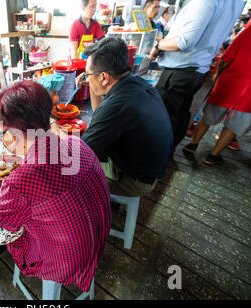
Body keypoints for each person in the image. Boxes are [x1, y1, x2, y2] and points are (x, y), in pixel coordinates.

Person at [0, 81, 111, 293]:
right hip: (97, 238)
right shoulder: (76, 143)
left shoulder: (24, 181)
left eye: (2, 132)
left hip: (67, 260)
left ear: (13, 134)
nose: (3, 138)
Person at [61, 37, 173, 197]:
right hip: (148, 168)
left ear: (104, 77)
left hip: (134, 181)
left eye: (88, 74)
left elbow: (80, 156)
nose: (86, 77)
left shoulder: (117, 105)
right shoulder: (137, 83)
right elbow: (102, 112)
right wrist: (93, 85)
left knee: (66, 174)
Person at [149, 0, 244, 151]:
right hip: (197, 67)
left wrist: (157, 45)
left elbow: (184, 41)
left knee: (165, 116)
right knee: (180, 113)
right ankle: (166, 153)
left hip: (181, 68)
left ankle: (157, 157)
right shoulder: (236, 3)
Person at [183, 25, 251, 165]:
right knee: (233, 126)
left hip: (229, 84)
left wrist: (217, 77)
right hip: (248, 95)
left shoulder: (247, 32)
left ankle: (192, 145)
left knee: (208, 117)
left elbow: (226, 59)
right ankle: (212, 156)